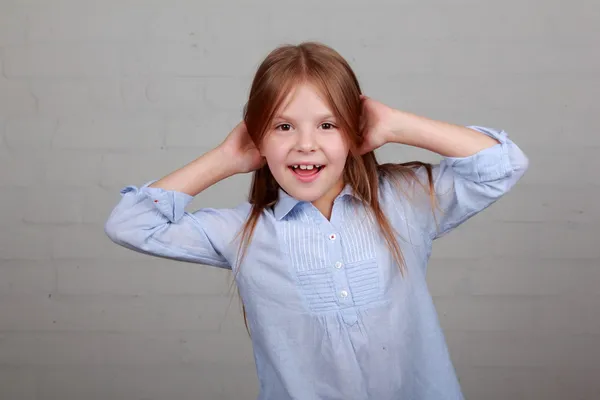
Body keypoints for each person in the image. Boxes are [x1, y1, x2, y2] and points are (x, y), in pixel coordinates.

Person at [105, 41, 529, 400]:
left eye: (327, 124)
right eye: (283, 126)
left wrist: (396, 125)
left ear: (354, 131)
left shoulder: (404, 202)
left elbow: (502, 164)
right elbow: (131, 223)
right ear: (258, 138)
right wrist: (224, 159)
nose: (305, 145)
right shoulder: (242, 233)